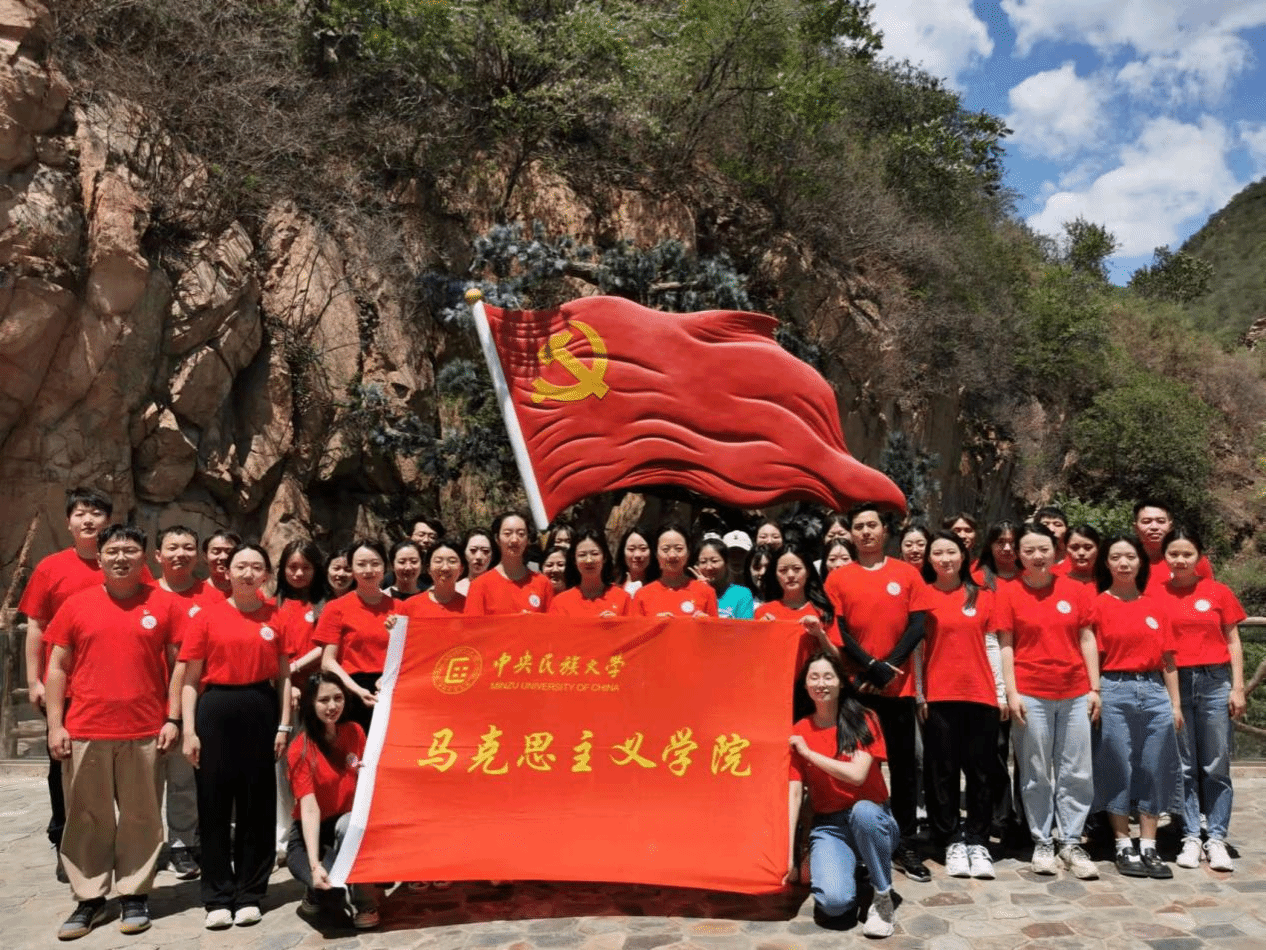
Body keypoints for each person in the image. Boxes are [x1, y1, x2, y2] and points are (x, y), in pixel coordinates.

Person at [43, 524, 185, 940]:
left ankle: (135, 894)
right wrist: (55, 725)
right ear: (100, 557)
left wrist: (173, 718)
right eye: (113, 551)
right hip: (86, 729)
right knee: (87, 817)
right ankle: (89, 899)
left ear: (144, 557)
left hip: (145, 729)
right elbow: (57, 667)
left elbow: (179, 665)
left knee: (142, 816)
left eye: (129, 551)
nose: (121, 558)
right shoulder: (76, 605)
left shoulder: (164, 604)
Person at [181, 543, 291, 929]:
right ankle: (217, 896)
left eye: (256, 567)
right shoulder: (206, 617)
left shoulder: (276, 616)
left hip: (261, 708)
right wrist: (189, 730)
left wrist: (284, 725)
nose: (247, 573)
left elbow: (285, 676)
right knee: (213, 804)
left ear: (266, 575)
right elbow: (190, 680)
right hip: (215, 711)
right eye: (240, 566)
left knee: (256, 805)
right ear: (227, 572)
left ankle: (250, 893)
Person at [823, 504, 933, 883]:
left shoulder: (907, 574)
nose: (866, 531)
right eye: (859, 526)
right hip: (859, 690)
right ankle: (859, 840)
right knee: (859, 766)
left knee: (904, 769)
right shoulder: (839, 578)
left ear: (885, 531)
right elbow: (839, 632)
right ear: (850, 533)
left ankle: (905, 842)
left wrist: (889, 667)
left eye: (872, 525)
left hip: (899, 689)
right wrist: (871, 666)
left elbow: (917, 625)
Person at [20, 487, 117, 885]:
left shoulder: (123, 561)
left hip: (113, 686)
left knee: (111, 768)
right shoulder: (51, 567)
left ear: (108, 521)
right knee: (62, 765)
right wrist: (34, 680)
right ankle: (65, 841)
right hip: (65, 685)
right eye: (80, 513)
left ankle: (109, 841)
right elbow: (35, 625)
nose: (88, 520)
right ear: (68, 522)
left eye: (96, 513)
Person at [996, 523, 1101, 880]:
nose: (1037, 556)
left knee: (1077, 770)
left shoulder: (1076, 590)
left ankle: (1071, 840)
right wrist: (1011, 692)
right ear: (1018, 555)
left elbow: (1087, 638)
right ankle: (1042, 840)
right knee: (1036, 770)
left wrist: (1095, 688)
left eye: (1044, 549)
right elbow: (1006, 645)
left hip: (1075, 692)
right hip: (1030, 692)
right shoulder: (1008, 592)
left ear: (1057, 552)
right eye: (1029, 551)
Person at [788, 651, 901, 938]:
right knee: (834, 905)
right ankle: (850, 866)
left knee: (863, 812)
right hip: (830, 826)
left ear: (840, 682)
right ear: (805, 685)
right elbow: (794, 794)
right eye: (814, 677)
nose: (821, 683)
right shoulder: (800, 730)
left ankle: (883, 896)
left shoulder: (864, 718)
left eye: (828, 676)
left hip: (873, 819)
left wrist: (809, 754)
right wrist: (790, 854)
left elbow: (857, 775)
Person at [1153, 526, 1245, 872]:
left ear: (1199, 557)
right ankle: (1191, 835)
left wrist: (1237, 687)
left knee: (1216, 764)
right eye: (1173, 553)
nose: (1180, 560)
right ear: (1165, 557)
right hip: (1175, 682)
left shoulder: (1218, 591)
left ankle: (1216, 837)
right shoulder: (1156, 595)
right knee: (1184, 765)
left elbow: (1233, 640)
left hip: (1214, 681)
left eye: (1187, 554)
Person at [1089, 535, 1181, 880]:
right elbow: (1092, 655)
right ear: (1107, 563)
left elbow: (1168, 659)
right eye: (1116, 557)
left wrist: (1175, 703)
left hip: (1155, 690)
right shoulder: (1098, 605)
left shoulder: (1155, 606)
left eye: (1130, 556)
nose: (1124, 563)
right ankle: (1122, 842)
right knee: (1117, 764)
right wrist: (1095, 691)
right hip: (1114, 688)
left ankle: (1149, 844)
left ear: (1141, 562)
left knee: (1154, 766)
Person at [918, 531, 1004, 880]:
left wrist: (1000, 693)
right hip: (939, 695)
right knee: (943, 771)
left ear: (963, 556)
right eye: (937, 553)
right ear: (929, 559)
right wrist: (921, 694)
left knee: (982, 772)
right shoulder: (922, 596)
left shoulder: (983, 595)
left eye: (951, 552)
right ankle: (951, 838)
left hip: (980, 695)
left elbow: (993, 644)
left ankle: (978, 841)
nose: (945, 559)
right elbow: (918, 650)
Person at [153, 525, 221, 881]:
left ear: (198, 555)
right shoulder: (143, 593)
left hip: (194, 702)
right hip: (146, 702)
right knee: (145, 784)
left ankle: (182, 843)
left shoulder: (211, 597)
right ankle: (146, 848)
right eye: (172, 547)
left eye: (188, 547)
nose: (180, 553)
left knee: (183, 780)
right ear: (158, 555)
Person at [285, 672, 377, 929]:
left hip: (347, 825)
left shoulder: (355, 731)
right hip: (311, 834)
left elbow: (367, 779)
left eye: (338, 698)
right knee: (329, 892)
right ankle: (314, 892)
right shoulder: (300, 748)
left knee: (351, 825)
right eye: (324, 700)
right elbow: (309, 809)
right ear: (310, 704)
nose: (332, 706)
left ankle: (365, 903)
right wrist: (314, 865)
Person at [273, 539, 331, 862]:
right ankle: (283, 838)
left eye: (305, 567)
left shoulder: (325, 605)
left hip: (317, 696)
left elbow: (325, 647)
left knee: (316, 766)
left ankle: (317, 833)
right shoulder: (273, 604)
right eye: (292, 567)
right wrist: (285, 684)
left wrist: (293, 671)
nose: (298, 573)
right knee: (283, 767)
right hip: (282, 697)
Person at [314, 541, 398, 733]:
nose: (368, 570)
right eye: (361, 564)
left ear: (385, 567)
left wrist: (388, 679)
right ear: (352, 569)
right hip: (352, 691)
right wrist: (357, 690)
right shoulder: (335, 608)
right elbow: (328, 662)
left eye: (375, 564)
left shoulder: (400, 608)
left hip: (391, 689)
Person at [465, 511, 554, 615]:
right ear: (497, 538)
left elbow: (550, 623)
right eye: (507, 534)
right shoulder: (480, 585)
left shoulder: (543, 583)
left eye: (521, 534)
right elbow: (472, 625)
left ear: (528, 539)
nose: (514, 540)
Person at [632, 524, 718, 618]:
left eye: (679, 549)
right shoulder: (642, 595)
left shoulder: (706, 592)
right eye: (665, 549)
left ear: (688, 552)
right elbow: (636, 627)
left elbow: (716, 627)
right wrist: (654, 623)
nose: (672, 555)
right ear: (656, 554)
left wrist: (705, 622)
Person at [549, 528, 631, 617]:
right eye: (582, 555)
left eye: (595, 554)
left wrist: (617, 623)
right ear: (574, 560)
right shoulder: (560, 602)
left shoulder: (623, 598)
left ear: (604, 557)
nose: (589, 560)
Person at [1134, 501, 1214, 592]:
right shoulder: (1127, 563)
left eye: (1161, 521)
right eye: (1146, 522)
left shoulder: (1194, 561)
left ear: (1170, 526)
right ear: (1136, 527)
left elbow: (1209, 595)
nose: (1154, 527)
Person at [402, 539, 468, 619]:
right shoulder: (409, 606)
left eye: (452, 561)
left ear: (461, 569)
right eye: (438, 561)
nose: (445, 568)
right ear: (429, 569)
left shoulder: (469, 606)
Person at [694, 537, 754, 619]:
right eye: (703, 562)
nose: (709, 567)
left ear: (726, 563)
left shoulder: (742, 594)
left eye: (714, 561)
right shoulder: (691, 592)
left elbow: (745, 626)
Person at [974, 520, 1020, 589]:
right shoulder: (976, 581)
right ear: (990, 545)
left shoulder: (1031, 577)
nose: (1007, 548)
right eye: (1000, 542)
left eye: (1013, 542)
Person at [201, 530, 241, 598]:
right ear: (205, 557)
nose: (223, 557)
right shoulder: (193, 592)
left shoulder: (251, 594)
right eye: (216, 551)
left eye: (229, 552)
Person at [615, 526, 652, 596]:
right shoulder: (611, 588)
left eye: (643, 549)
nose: (637, 555)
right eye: (631, 549)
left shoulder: (663, 586)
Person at [456, 529, 492, 596]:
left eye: (485, 551)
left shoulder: (501, 588)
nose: (479, 557)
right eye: (473, 550)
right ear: (464, 552)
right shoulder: (456, 590)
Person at [1035, 506, 1070, 575]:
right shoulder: (1026, 560)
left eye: (1058, 525)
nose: (1051, 529)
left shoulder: (1076, 559)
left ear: (1067, 529)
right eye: (1045, 524)